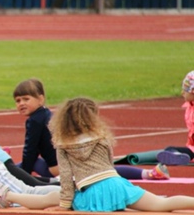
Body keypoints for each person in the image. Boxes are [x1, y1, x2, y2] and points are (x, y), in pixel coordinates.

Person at [0, 97, 194, 213]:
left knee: (49, 196)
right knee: (161, 204)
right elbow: (109, 166)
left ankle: (7, 195)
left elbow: (66, 177)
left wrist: (65, 206)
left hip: (90, 190)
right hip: (117, 185)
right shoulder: (102, 137)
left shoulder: (63, 144)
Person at [13, 78, 169, 181]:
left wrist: (23, 177)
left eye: (26, 99)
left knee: (27, 164)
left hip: (59, 170)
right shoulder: (48, 115)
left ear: (41, 99)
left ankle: (4, 172)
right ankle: (147, 173)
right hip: (72, 163)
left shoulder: (34, 121)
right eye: (18, 100)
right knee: (105, 170)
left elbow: (30, 151)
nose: (21, 103)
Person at [156, 70, 194, 166]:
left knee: (169, 150)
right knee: (169, 149)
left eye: (185, 90)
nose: (182, 93)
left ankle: (182, 156)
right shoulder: (189, 107)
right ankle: (180, 156)